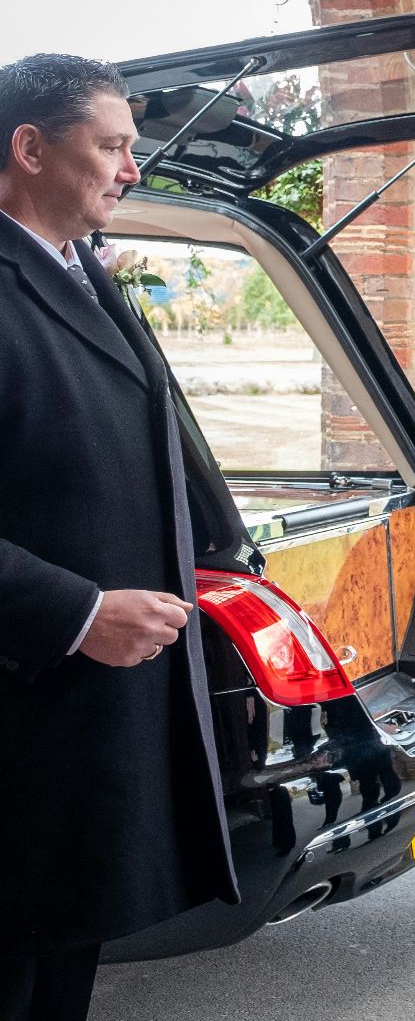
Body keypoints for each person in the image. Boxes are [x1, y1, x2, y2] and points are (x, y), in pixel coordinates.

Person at [0, 54, 239, 1021]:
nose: (131, 169)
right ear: (27, 147)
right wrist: (79, 611)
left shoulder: (84, 272)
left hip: (81, 732)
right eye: (111, 145)